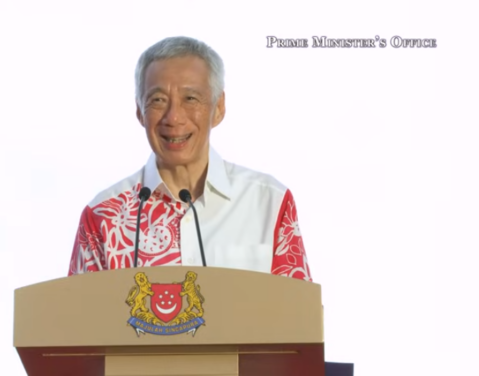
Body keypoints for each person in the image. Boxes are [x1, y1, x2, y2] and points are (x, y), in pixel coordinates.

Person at [67, 36, 312, 282]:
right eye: (158, 100)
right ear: (140, 111)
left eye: (190, 99)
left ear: (218, 107)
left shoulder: (269, 203)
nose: (173, 118)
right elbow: (79, 318)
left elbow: (297, 315)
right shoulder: (102, 217)